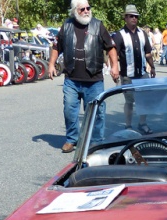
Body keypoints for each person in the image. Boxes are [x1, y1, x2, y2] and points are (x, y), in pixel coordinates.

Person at [48, 0, 118, 153]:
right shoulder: (66, 26)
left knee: (96, 112)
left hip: (94, 80)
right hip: (72, 79)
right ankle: (72, 139)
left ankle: (96, 142)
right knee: (69, 110)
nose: (86, 11)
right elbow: (56, 46)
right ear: (74, 11)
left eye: (88, 8)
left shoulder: (98, 25)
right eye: (82, 9)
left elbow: (111, 48)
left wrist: (115, 66)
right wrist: (51, 64)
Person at [112, 4, 155, 134]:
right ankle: (128, 126)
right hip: (127, 75)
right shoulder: (119, 35)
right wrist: (114, 68)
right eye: (131, 16)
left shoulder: (143, 34)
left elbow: (147, 53)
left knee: (145, 101)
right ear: (125, 18)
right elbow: (113, 53)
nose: (134, 19)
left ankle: (142, 123)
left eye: (136, 16)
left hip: (142, 73)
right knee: (129, 102)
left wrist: (152, 67)